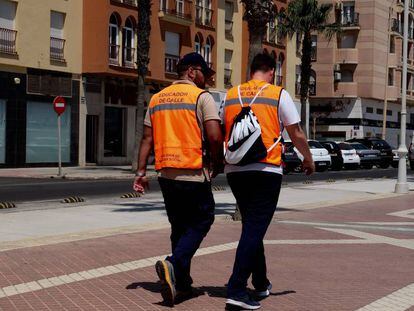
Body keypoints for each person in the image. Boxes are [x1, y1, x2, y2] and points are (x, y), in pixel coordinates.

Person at [221, 53, 315, 310]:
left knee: (253, 226)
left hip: (235, 170)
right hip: (266, 169)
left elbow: (220, 130)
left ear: (252, 70)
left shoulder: (230, 95)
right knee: (254, 228)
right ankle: (237, 288)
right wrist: (307, 159)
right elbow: (295, 132)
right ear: (271, 71)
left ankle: (260, 283)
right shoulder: (277, 94)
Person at [133, 52, 223, 307]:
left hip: (165, 174)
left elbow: (147, 139)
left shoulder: (157, 98)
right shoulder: (201, 97)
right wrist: (218, 162)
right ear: (193, 71)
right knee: (203, 219)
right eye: (204, 73)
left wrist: (140, 173)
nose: (206, 79)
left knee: (179, 227)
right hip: (192, 172)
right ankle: (172, 263)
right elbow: (215, 136)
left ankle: (181, 284)